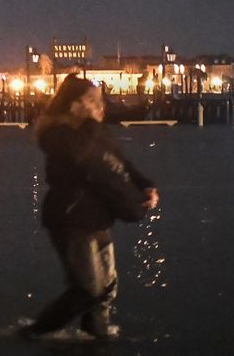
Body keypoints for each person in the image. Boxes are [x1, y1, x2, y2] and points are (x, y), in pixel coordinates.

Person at [21, 76, 158, 341]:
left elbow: (120, 161)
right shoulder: (55, 134)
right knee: (86, 289)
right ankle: (34, 333)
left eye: (100, 100)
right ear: (73, 105)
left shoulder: (96, 130)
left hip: (98, 217)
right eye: (92, 101)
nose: (100, 106)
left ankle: (96, 337)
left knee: (106, 289)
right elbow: (78, 153)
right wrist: (91, 124)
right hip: (70, 218)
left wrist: (145, 185)